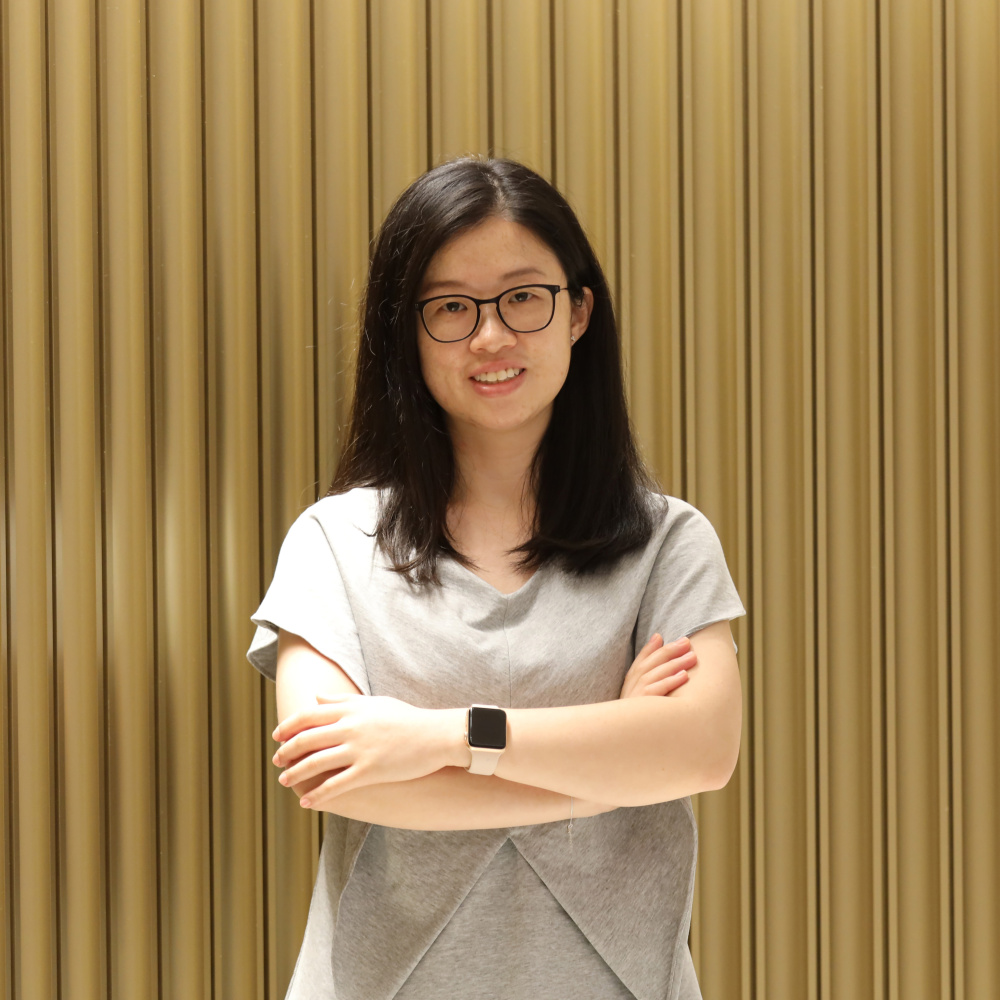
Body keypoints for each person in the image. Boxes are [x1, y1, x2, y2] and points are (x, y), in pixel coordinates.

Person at [247, 156, 745, 1000]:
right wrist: (611, 767)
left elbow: (701, 752)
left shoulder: (667, 542)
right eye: (451, 307)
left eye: (523, 297)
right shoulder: (333, 541)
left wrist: (438, 740)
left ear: (578, 311)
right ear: (407, 331)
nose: (490, 336)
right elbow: (336, 776)